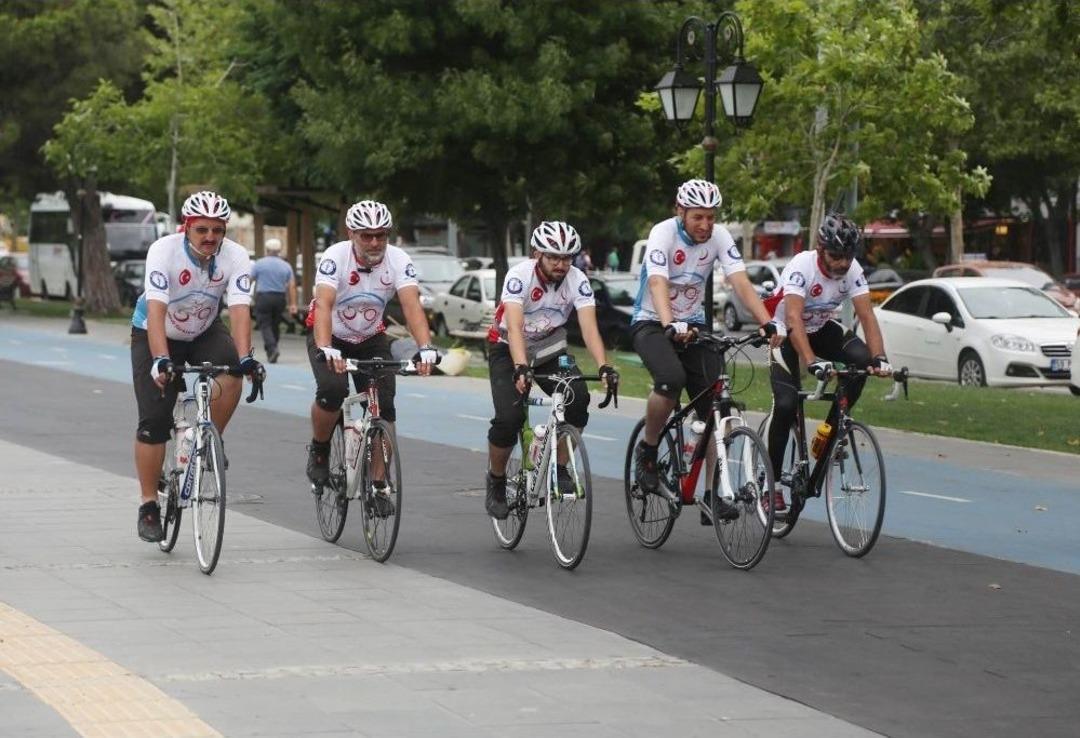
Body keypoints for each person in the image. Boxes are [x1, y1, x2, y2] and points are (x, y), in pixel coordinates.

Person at [631, 179, 776, 521]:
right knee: (670, 379)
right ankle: (648, 450)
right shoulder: (663, 233)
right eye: (698, 217)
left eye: (711, 217)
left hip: (694, 324)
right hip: (653, 321)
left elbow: (739, 280)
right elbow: (657, 281)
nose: (706, 225)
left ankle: (713, 493)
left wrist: (767, 322)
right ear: (679, 212)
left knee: (715, 404)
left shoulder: (720, 237)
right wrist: (669, 324)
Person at [131, 191, 263, 542]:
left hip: (203, 329)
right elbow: (157, 308)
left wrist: (247, 356)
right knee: (154, 421)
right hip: (156, 332)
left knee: (233, 370)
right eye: (202, 229)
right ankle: (147, 505)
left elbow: (238, 309)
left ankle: (208, 441)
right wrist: (161, 359)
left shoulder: (236, 256)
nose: (210, 237)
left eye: (217, 230)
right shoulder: (164, 250)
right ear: (185, 227)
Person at [305, 200, 439, 513]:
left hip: (370, 336)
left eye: (381, 235)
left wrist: (426, 346)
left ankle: (379, 484)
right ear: (351, 233)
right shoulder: (335, 257)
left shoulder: (398, 259)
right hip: (330, 334)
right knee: (333, 390)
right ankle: (320, 449)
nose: (375, 242)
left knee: (385, 406)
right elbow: (323, 304)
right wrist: (326, 348)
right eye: (367, 236)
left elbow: (411, 305)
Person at [484, 221, 618, 519]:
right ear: (537, 254)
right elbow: (516, 326)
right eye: (554, 257)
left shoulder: (578, 280)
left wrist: (604, 366)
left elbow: (589, 327)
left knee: (578, 398)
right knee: (509, 418)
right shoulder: (519, 276)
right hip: (508, 346)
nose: (561, 264)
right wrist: (520, 367)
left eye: (567, 258)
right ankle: (495, 480)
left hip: (549, 349)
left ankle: (559, 466)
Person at [765, 212, 890, 513]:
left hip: (820, 328)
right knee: (785, 405)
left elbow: (866, 315)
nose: (842, 264)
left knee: (861, 361)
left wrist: (880, 357)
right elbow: (793, 317)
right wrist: (811, 362)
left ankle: (832, 432)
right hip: (786, 333)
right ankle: (771, 485)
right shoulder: (801, 266)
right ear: (821, 249)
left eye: (848, 256)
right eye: (836, 256)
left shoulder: (852, 269)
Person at [250, 237, 298, 363]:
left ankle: (272, 348)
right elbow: (292, 285)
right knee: (275, 324)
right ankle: (272, 349)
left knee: (264, 324)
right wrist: (293, 304)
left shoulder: (259, 263)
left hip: (263, 297)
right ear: (279, 250)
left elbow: (249, 280)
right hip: (280, 298)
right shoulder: (286, 266)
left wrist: (246, 296)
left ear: (267, 250)